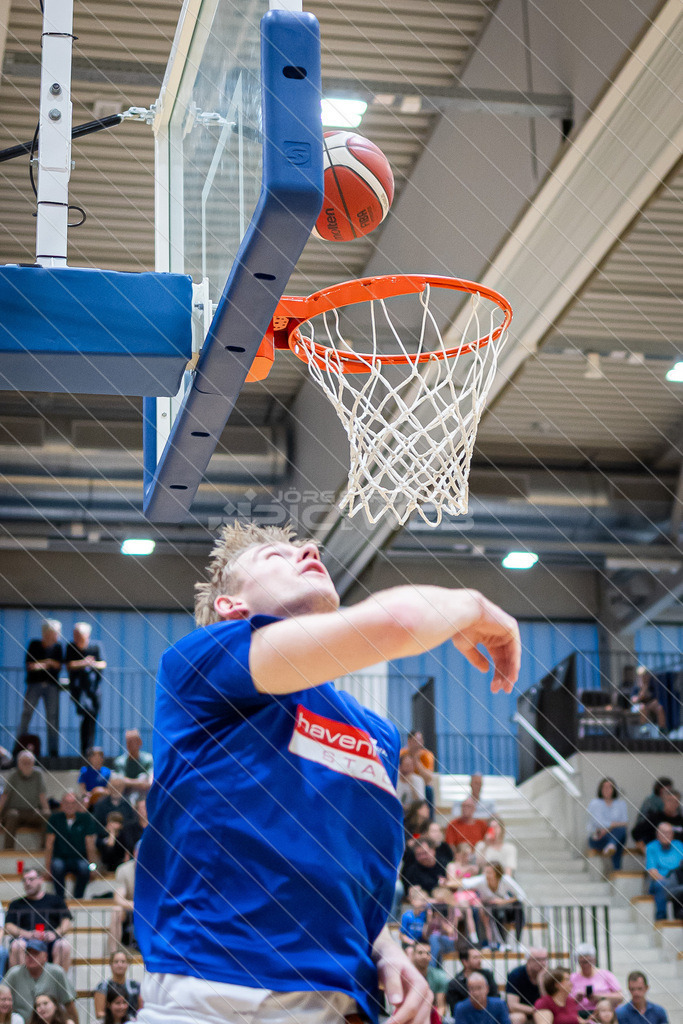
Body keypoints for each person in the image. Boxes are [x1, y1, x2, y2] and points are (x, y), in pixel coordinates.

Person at [134, 521, 521, 1024]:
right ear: (232, 608)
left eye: (305, 546)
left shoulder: (377, 733)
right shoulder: (200, 666)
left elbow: (345, 872)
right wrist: (473, 605)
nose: (309, 550)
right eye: (275, 556)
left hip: (336, 1003)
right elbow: (397, 622)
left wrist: (385, 950)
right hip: (212, 992)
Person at [5, 867, 72, 971]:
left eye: (31, 879)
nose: (27, 883)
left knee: (63, 945)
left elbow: (66, 922)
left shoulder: (56, 900)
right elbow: (9, 926)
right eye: (24, 880)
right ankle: (22, 986)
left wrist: (54, 934)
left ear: (41, 879)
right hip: (26, 941)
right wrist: (29, 934)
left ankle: (55, 985)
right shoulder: (16, 904)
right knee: (17, 945)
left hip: (50, 942)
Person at [16, 621, 63, 760]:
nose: (58, 636)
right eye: (56, 633)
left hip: (51, 687)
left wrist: (42, 664)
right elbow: (30, 665)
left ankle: (53, 752)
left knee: (52, 718)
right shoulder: (34, 644)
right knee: (27, 714)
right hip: (34, 685)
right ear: (47, 633)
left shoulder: (58, 647)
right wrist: (47, 663)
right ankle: (17, 748)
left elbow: (58, 665)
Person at [3, 940, 78, 1024]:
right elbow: (1, 995)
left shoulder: (57, 972)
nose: (31, 957)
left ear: (45, 956)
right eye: (28, 954)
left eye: (35, 953)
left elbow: (69, 1004)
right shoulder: (14, 973)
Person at [44, 791, 99, 900]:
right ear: (62, 804)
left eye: (73, 803)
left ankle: (78, 898)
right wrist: (47, 868)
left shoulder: (86, 819)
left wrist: (93, 867)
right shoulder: (55, 819)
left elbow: (90, 845)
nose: (69, 806)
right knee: (57, 866)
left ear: (78, 804)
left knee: (85, 868)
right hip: (60, 858)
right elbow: (49, 844)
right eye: (66, 803)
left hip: (79, 858)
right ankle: (60, 899)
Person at [461, 862, 526, 949]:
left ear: (497, 873)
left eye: (489, 872)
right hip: (491, 910)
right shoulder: (482, 880)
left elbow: (521, 896)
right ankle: (502, 944)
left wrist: (503, 901)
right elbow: (464, 883)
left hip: (507, 909)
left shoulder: (505, 879)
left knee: (518, 906)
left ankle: (518, 943)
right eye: (486, 872)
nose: (486, 875)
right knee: (495, 909)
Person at [66, 624, 106, 756]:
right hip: (79, 689)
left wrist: (92, 664)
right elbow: (69, 664)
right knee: (86, 712)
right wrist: (85, 662)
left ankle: (90, 747)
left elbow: (103, 663)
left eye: (80, 635)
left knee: (92, 716)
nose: (77, 638)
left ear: (87, 635)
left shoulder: (96, 646)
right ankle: (85, 749)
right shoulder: (71, 647)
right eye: (75, 635)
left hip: (93, 689)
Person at [0, 752, 49, 850]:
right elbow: (5, 796)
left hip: (32, 811)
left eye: (29, 762)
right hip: (14, 811)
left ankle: (45, 849)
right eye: (24, 762)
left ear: (33, 763)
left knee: (47, 816)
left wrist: (47, 810)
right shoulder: (13, 774)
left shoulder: (38, 774)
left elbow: (42, 796)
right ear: (18, 764)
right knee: (12, 815)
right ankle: (8, 850)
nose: (26, 765)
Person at [586, 778, 629, 871]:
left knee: (621, 832)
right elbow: (597, 823)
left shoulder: (621, 804)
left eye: (610, 787)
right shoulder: (595, 803)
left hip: (613, 834)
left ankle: (611, 846)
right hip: (598, 837)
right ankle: (616, 867)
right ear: (600, 789)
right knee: (617, 837)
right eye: (604, 787)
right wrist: (613, 825)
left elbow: (625, 823)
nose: (607, 789)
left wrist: (607, 828)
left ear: (614, 789)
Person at [569, 943, 624, 1013]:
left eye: (588, 961)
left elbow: (620, 997)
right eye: (582, 962)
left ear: (594, 960)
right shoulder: (572, 978)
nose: (586, 965)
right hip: (579, 1014)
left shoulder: (606, 975)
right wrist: (576, 999)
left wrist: (599, 997)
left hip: (603, 1015)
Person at [644, 822, 683, 920]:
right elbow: (652, 872)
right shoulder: (651, 847)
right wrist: (670, 883)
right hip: (661, 881)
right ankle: (661, 918)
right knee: (662, 884)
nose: (666, 835)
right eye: (663, 833)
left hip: (677, 880)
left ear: (672, 834)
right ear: (657, 834)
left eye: (669, 833)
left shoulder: (679, 845)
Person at [93, 952, 142, 1022]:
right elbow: (99, 1013)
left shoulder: (135, 985)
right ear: (110, 965)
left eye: (123, 962)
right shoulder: (102, 986)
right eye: (116, 962)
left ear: (128, 964)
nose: (120, 965)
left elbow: (141, 1009)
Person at [447, 948, 498, 1014]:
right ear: (464, 962)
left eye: (480, 957)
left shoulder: (487, 975)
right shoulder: (455, 984)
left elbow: (495, 997)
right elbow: (455, 1010)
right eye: (475, 958)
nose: (479, 960)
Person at [505, 949, 548, 1024]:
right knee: (518, 1018)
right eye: (538, 960)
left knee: (546, 1015)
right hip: (523, 1011)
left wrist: (541, 981)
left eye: (544, 959)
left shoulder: (548, 975)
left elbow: (548, 1002)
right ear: (528, 961)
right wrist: (535, 1010)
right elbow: (512, 1005)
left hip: (542, 1012)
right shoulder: (516, 974)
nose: (542, 963)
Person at [410, 942, 450, 1019]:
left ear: (431, 957)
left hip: (432, 1018)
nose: (424, 956)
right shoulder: (405, 977)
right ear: (413, 955)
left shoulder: (439, 976)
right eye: (420, 953)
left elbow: (441, 1007)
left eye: (428, 953)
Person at [109, 845, 136, 953]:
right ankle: (114, 954)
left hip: (152, 911)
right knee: (116, 910)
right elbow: (118, 898)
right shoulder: (124, 869)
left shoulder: (159, 868)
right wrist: (138, 906)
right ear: (135, 853)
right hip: (132, 910)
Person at [400, 732, 436, 814]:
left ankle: (427, 818)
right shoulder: (402, 753)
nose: (418, 743)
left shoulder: (427, 755)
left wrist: (416, 760)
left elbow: (428, 778)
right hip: (404, 782)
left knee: (428, 789)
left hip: (421, 785)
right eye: (415, 740)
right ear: (409, 741)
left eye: (420, 740)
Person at [112, 732, 152, 800]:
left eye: (135, 741)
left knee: (143, 776)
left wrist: (131, 782)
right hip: (124, 794)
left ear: (140, 743)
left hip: (142, 795)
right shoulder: (120, 761)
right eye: (129, 742)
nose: (132, 744)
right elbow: (119, 780)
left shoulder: (148, 759)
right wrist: (139, 783)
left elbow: (150, 780)